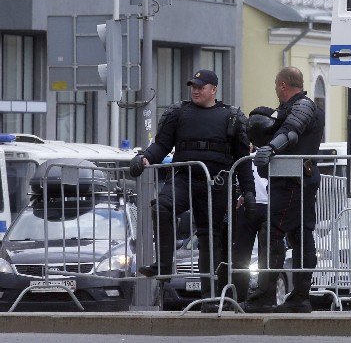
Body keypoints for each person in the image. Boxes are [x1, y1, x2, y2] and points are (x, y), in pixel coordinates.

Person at [128, 69, 253, 308]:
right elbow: (161, 145)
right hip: (184, 178)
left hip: (215, 182)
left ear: (213, 89)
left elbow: (242, 160)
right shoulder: (178, 113)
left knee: (209, 236)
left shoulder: (232, 117)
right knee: (162, 207)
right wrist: (144, 159)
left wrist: (248, 192)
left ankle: (211, 297)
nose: (195, 90)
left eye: (201, 86)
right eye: (193, 86)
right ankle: (163, 266)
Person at [241, 67, 325, 314]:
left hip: (292, 180)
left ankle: (266, 295)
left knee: (273, 233)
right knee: (300, 236)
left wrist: (270, 149)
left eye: (277, 86)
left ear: (282, 85)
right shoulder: (296, 107)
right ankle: (299, 295)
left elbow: (292, 130)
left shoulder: (303, 105)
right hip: (296, 178)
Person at [231, 123, 271, 302]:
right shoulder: (247, 155)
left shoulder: (264, 152)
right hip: (251, 204)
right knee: (243, 255)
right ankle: (241, 296)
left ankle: (260, 295)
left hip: (263, 205)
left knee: (262, 255)